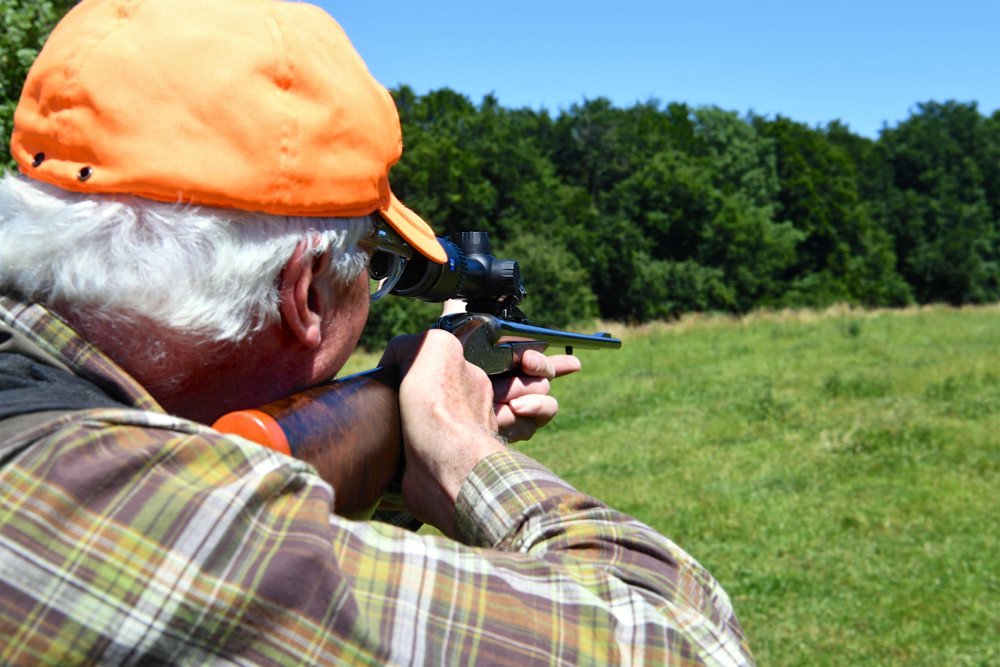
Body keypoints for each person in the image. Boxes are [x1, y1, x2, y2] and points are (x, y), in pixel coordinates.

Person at [0, 0, 754, 664]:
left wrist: (393, 461)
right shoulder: (168, 529)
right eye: (373, 261)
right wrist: (467, 459)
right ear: (304, 295)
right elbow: (689, 640)